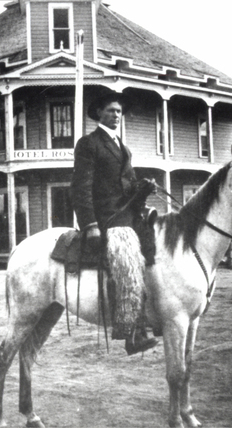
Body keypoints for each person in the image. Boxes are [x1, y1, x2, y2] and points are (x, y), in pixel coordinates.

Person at [70, 92, 159, 355]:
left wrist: (143, 188)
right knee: (128, 261)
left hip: (129, 215)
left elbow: (129, 188)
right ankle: (133, 331)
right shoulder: (89, 144)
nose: (116, 115)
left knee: (158, 247)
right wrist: (90, 224)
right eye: (110, 111)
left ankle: (158, 313)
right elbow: (80, 188)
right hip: (107, 218)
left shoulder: (123, 147)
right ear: (98, 113)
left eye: (119, 111)